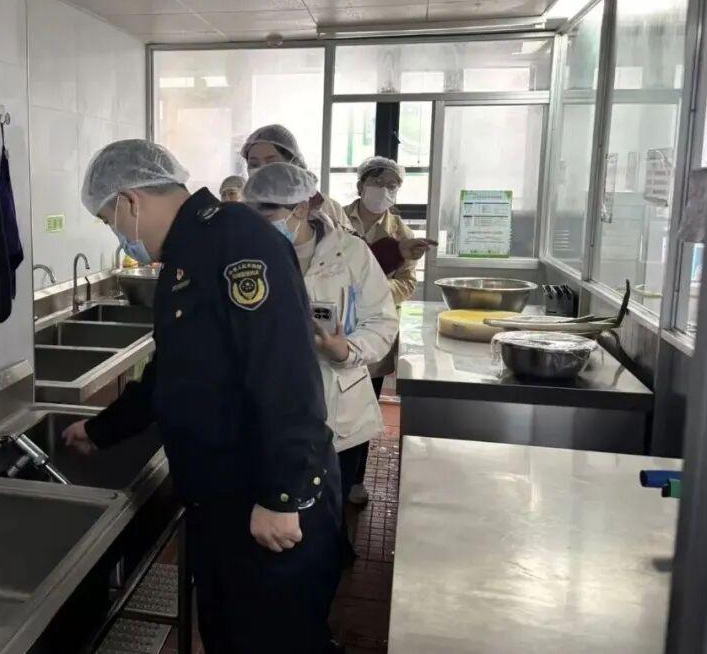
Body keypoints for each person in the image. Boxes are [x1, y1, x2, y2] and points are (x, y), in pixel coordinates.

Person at [62, 139, 344, 653]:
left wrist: (281, 496)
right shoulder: (185, 257)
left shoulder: (239, 244)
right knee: (229, 636)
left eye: (109, 221)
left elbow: (285, 373)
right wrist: (101, 430)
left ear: (130, 201)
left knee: (276, 640)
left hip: (264, 499)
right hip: (223, 500)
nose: (118, 236)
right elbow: (172, 371)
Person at [243, 162, 398, 537]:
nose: (259, 221)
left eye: (269, 211)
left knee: (330, 514)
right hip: (270, 410)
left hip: (339, 408)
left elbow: (382, 321)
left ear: (300, 208)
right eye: (253, 211)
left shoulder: (350, 253)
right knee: (280, 515)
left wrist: (347, 350)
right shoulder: (247, 256)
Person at [342, 156, 432, 505]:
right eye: (378, 183)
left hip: (375, 332)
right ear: (360, 186)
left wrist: (371, 294)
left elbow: (407, 283)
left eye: (392, 185)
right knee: (332, 404)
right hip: (335, 327)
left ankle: (355, 480)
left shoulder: (401, 234)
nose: (384, 190)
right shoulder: (336, 219)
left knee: (364, 410)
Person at [241, 124, 353, 228]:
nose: (262, 170)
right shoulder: (244, 211)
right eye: (254, 164)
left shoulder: (328, 207)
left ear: (293, 163)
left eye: (271, 163)